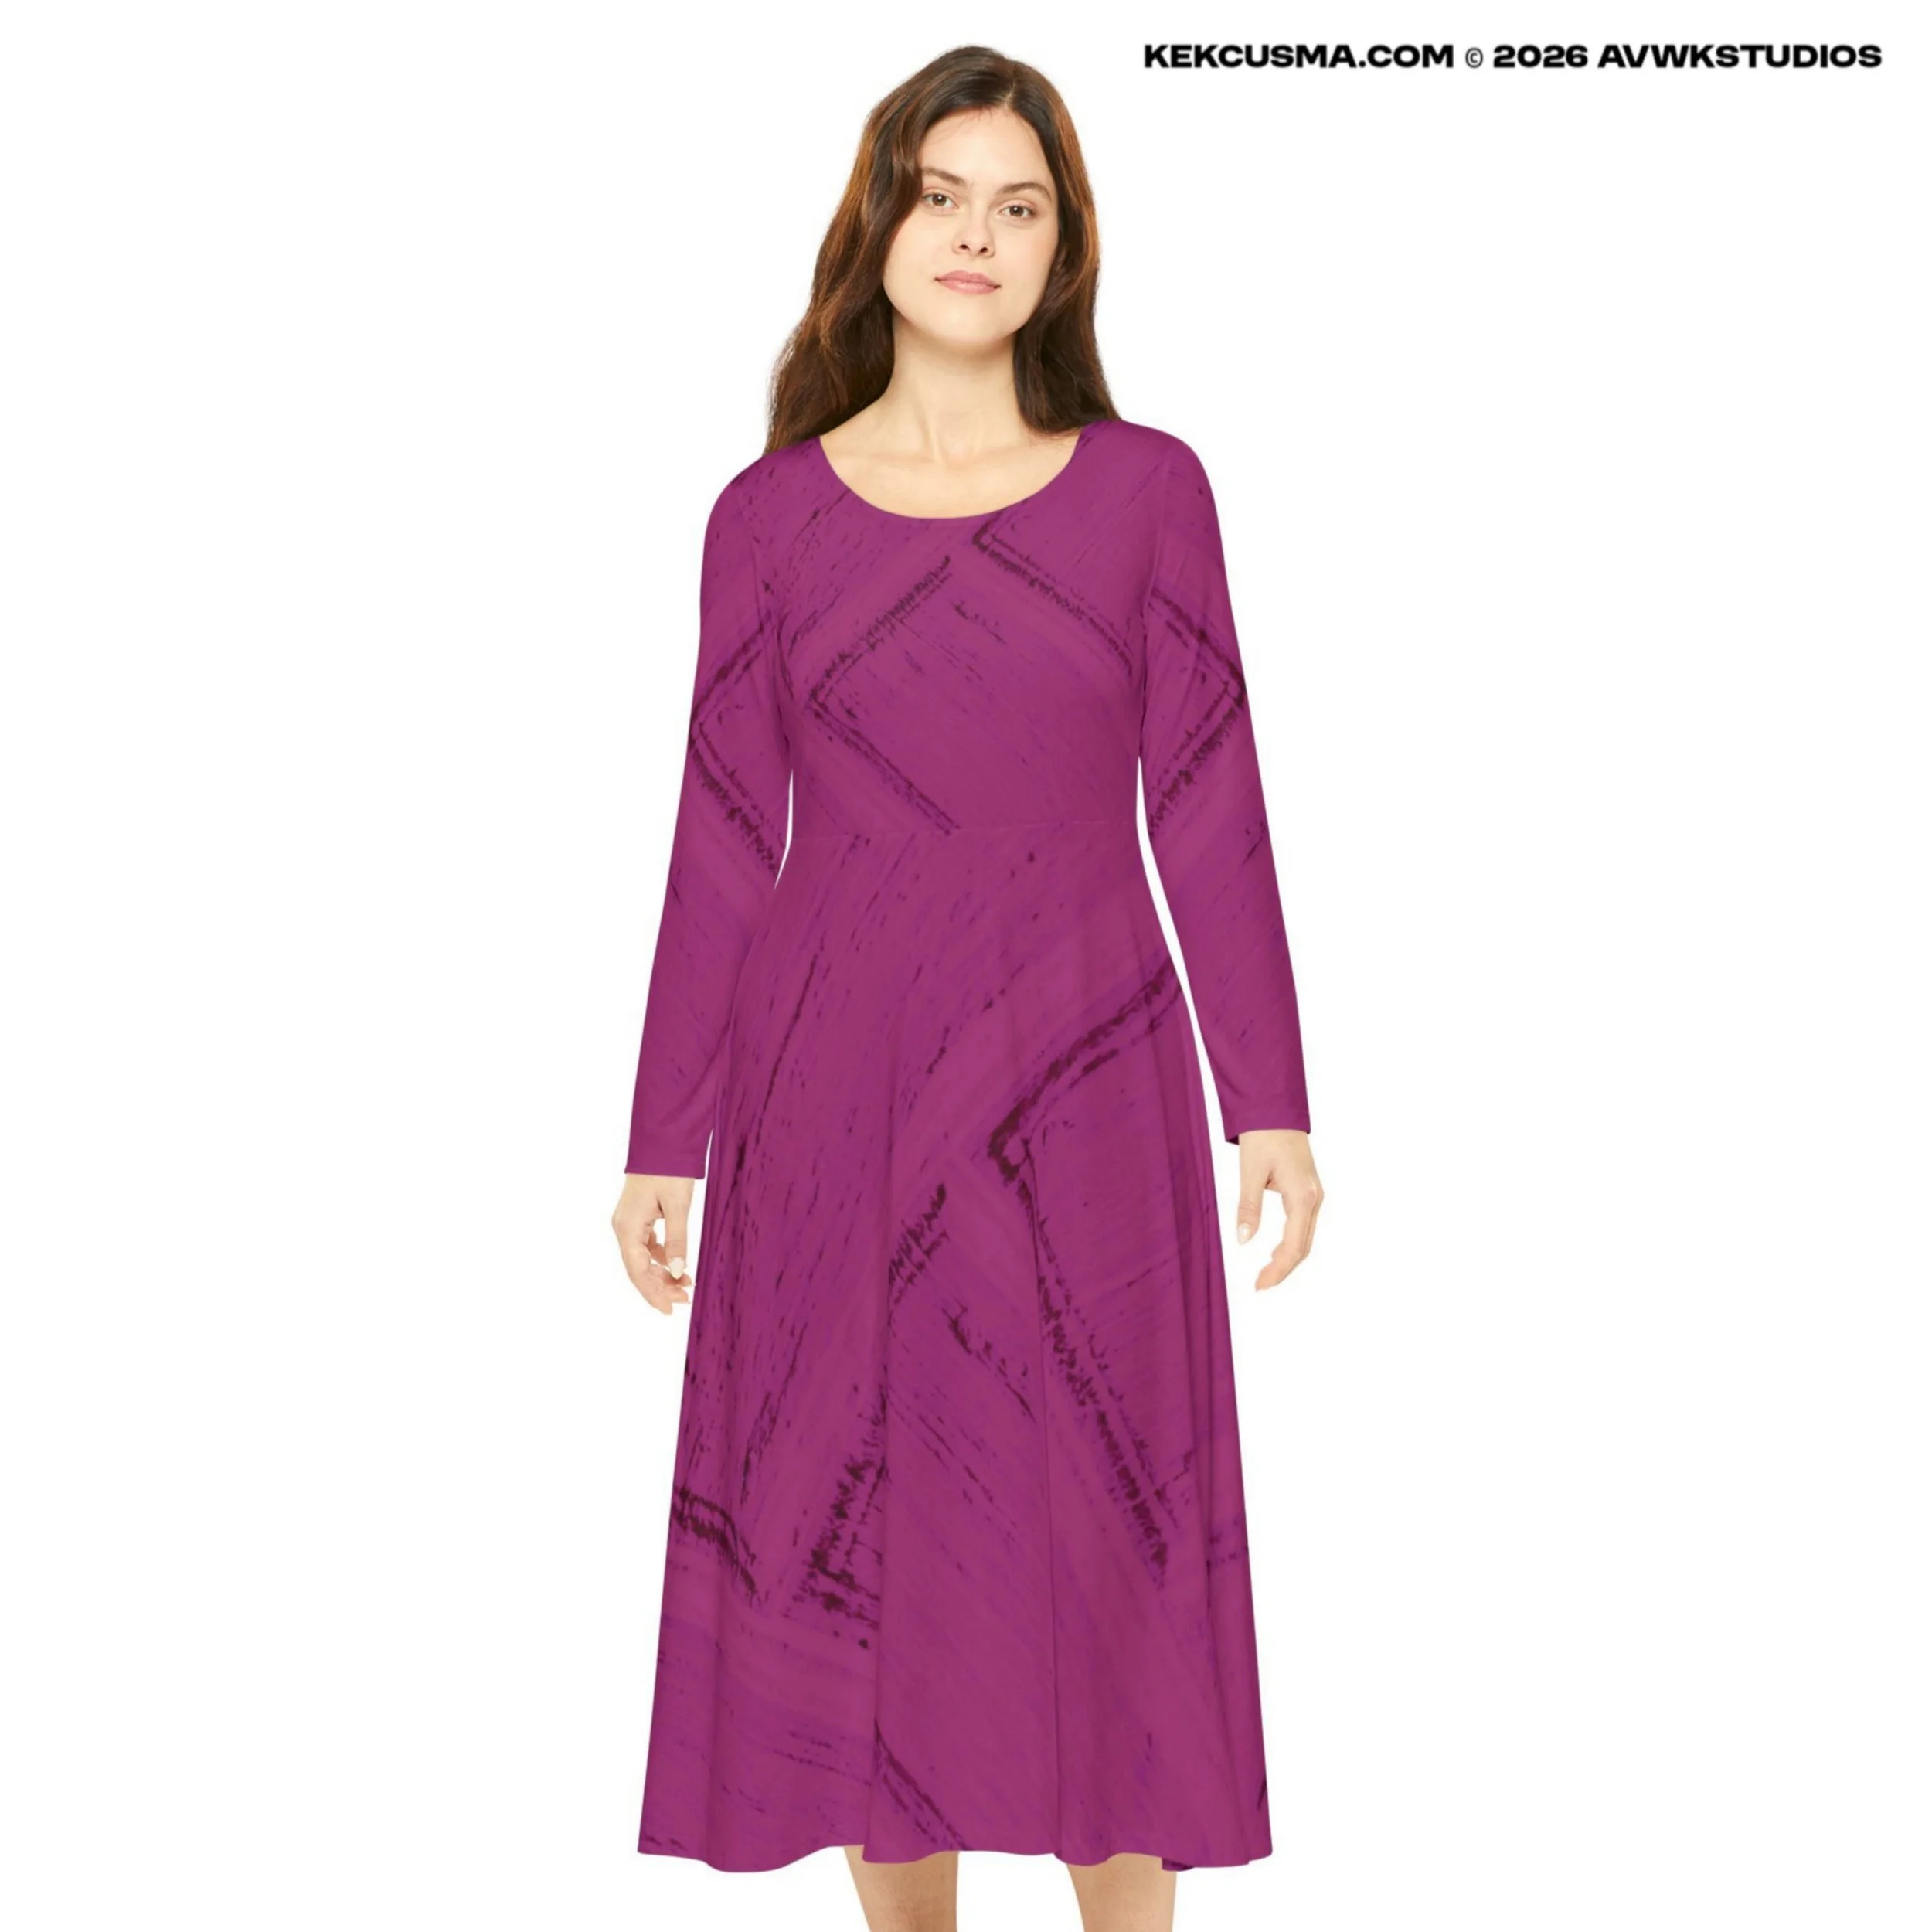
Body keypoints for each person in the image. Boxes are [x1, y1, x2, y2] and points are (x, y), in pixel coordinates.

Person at [611, 44, 1324, 1932]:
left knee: (1102, 1542)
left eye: (1018, 206)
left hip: (1089, 1094)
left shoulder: (1149, 493)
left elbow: (1211, 799)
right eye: (941, 195)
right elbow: (717, 839)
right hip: (829, 1101)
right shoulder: (764, 519)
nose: (975, 236)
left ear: (1061, 248)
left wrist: (1268, 1100)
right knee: (871, 1545)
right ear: (880, 219)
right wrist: (662, 1136)